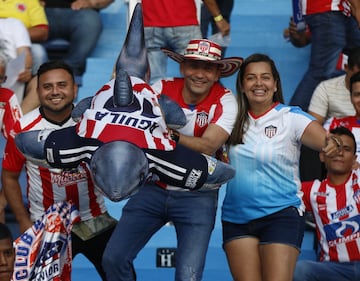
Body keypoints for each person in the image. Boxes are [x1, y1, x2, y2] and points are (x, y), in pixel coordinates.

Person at [101, 38, 243, 281]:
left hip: (198, 193)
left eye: (208, 68)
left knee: (188, 277)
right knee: (113, 259)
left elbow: (208, 146)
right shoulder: (161, 87)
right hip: (152, 188)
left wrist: (170, 134)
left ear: (218, 72)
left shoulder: (226, 99)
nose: (200, 74)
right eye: (193, 66)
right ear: (183, 67)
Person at [221, 53, 342, 281]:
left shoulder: (291, 117)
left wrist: (331, 145)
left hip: (281, 215)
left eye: (265, 78)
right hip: (236, 218)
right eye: (251, 78)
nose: (259, 83)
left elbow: (323, 140)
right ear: (242, 85)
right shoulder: (231, 117)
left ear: (275, 84)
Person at [1, 60, 117, 281]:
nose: (55, 92)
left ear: (75, 89)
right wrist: (23, 221)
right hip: (46, 224)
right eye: (47, 86)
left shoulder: (94, 122)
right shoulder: (23, 128)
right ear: (38, 91)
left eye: (62, 85)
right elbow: (9, 176)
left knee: (121, 272)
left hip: (95, 219)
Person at [293, 126, 360, 281]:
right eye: (334, 148)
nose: (340, 152)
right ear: (322, 156)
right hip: (332, 270)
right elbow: (277, 193)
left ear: (354, 159)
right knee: (300, 270)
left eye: (346, 149)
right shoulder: (311, 190)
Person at [289, 0, 360, 112]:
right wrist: (358, 9)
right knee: (320, 72)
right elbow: (300, 40)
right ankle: (291, 119)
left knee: (355, 59)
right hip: (328, 9)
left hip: (335, 11)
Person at [142, 0, 230, 83]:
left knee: (155, 80)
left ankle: (155, 98)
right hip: (184, 22)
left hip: (151, 24)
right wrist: (218, 18)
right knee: (198, 75)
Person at [41, 0, 114, 85]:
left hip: (80, 13)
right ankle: (36, 70)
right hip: (38, 11)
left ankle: (69, 70)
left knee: (90, 21)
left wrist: (91, 2)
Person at [0, 0, 49, 76]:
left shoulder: (31, 1)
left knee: (38, 51)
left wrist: (17, 34)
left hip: (24, 41)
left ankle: (35, 83)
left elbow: (42, 32)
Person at [0, 17, 33, 102]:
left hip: (14, 79)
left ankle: (17, 114)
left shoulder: (13, 23)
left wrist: (26, 70)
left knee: (38, 83)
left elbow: (25, 54)